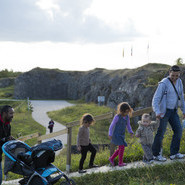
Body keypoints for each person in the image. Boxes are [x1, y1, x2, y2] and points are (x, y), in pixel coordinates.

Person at [152, 65, 185, 161]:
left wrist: (184, 110)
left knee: (178, 130)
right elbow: (156, 99)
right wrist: (157, 112)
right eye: (173, 75)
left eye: (177, 75)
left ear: (179, 74)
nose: (174, 77)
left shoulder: (179, 82)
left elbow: (181, 97)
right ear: (169, 73)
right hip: (164, 112)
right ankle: (156, 155)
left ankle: (174, 153)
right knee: (160, 133)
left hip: (173, 110)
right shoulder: (163, 83)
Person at [108, 102, 134, 167]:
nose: (127, 113)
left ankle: (111, 158)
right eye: (126, 112)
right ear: (122, 111)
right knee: (122, 147)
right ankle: (120, 162)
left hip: (122, 135)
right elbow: (112, 126)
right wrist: (110, 134)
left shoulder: (127, 117)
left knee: (120, 148)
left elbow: (128, 125)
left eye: (128, 112)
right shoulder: (117, 117)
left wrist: (130, 132)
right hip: (116, 135)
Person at [0, 105, 15, 185]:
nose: (12, 115)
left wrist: (10, 140)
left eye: (13, 113)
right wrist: (5, 139)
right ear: (4, 113)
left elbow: (6, 140)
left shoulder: (8, 125)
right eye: (11, 113)